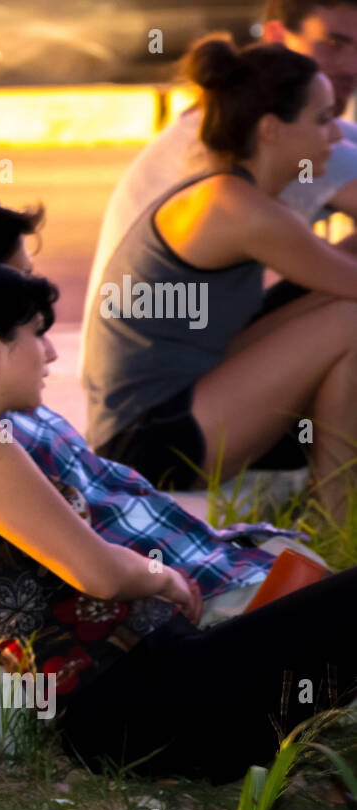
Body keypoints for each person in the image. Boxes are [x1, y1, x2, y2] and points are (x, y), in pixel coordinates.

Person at [0, 256, 357, 783]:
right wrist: (164, 577)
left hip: (142, 695)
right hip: (148, 698)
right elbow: (99, 572)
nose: (52, 352)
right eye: (37, 334)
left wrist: (27, 631)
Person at [0, 200, 305, 637]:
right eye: (21, 282)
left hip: (218, 570)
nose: (51, 348)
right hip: (202, 606)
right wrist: (138, 602)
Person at [84, 36, 357, 515]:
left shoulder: (240, 194)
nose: (336, 136)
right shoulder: (235, 208)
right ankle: (337, 516)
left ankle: (332, 505)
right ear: (271, 129)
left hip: (194, 394)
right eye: (321, 119)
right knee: (350, 320)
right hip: (147, 441)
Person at [84, 0, 357, 331]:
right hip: (174, 372)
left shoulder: (250, 125)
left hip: (184, 347)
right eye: (332, 44)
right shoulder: (282, 149)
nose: (352, 65)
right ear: (276, 36)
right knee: (346, 318)